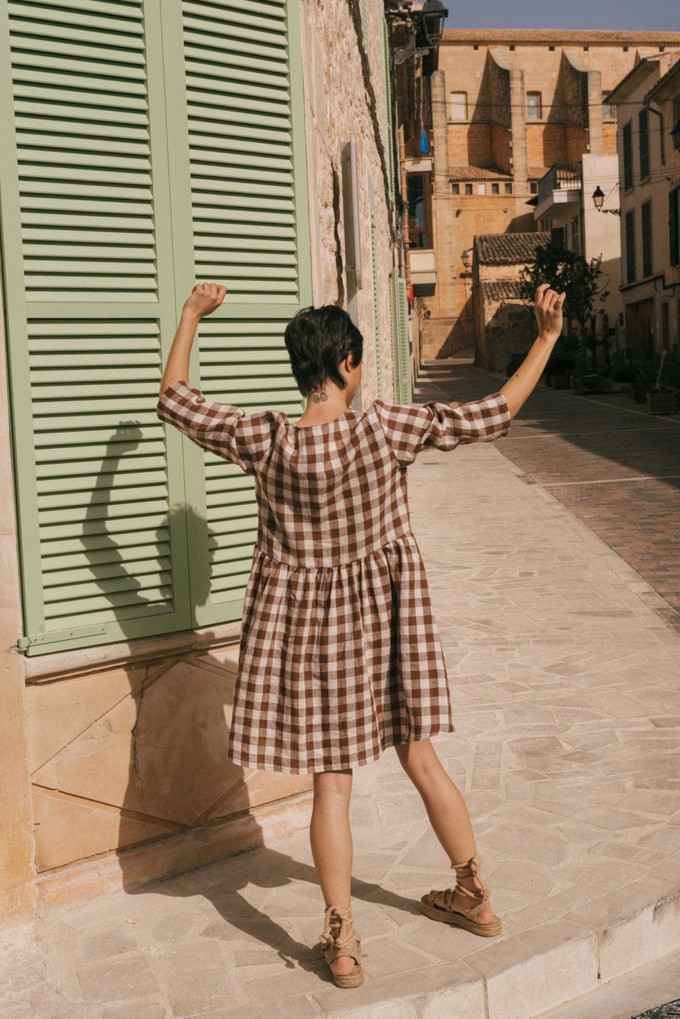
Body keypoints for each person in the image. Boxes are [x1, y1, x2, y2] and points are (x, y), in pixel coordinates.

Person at [157, 281, 565, 989]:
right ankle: (474, 893)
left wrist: (191, 315)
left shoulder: (266, 438)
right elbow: (495, 411)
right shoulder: (385, 428)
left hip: (315, 642)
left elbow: (175, 399)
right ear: (347, 362)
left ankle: (342, 941)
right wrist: (547, 338)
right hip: (389, 628)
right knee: (422, 758)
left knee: (331, 786)